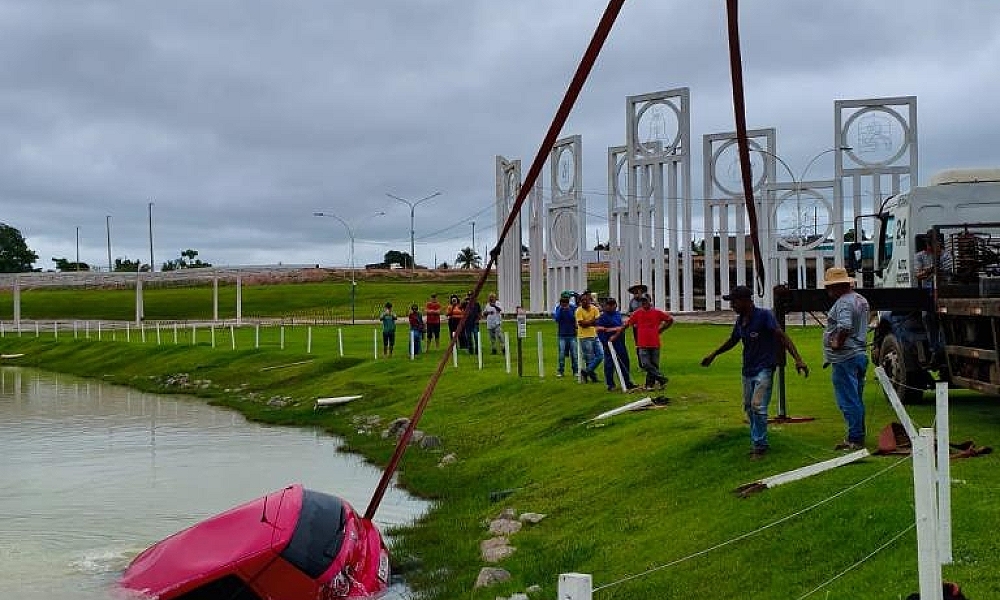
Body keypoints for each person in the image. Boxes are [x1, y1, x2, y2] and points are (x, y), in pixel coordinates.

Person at [700, 285, 809, 459]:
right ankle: (757, 440)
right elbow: (733, 340)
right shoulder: (741, 320)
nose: (732, 306)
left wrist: (798, 359)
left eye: (734, 302)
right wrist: (714, 354)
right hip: (748, 369)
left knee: (758, 406)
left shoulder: (764, 316)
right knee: (749, 407)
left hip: (765, 367)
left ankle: (760, 445)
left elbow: (782, 336)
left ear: (745, 301)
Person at [822, 267, 870, 451]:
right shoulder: (861, 299)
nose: (828, 292)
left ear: (837, 286)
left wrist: (836, 343)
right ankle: (857, 433)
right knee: (856, 397)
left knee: (848, 399)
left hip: (845, 357)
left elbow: (845, 326)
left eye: (830, 287)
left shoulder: (843, 302)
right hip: (859, 354)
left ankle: (855, 438)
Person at [611, 294, 673, 390]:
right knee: (645, 364)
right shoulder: (637, 313)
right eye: (642, 301)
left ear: (650, 301)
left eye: (645, 301)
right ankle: (661, 378)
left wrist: (661, 329)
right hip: (642, 343)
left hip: (654, 342)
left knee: (654, 364)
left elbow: (670, 320)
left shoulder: (657, 312)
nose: (644, 303)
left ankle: (649, 385)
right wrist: (616, 335)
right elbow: (626, 325)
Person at [595, 297, 637, 391]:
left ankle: (627, 382)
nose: (611, 306)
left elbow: (622, 327)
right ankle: (610, 384)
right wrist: (605, 343)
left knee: (625, 362)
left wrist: (617, 329)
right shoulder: (602, 317)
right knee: (609, 364)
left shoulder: (617, 315)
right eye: (609, 305)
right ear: (605, 306)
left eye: (613, 304)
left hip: (620, 343)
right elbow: (599, 331)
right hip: (609, 343)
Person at [575, 291, 603, 383]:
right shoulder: (578, 310)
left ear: (589, 300)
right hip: (584, 337)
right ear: (580, 302)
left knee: (600, 355)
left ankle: (586, 371)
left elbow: (598, 321)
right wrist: (592, 321)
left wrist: (589, 322)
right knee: (589, 358)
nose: (584, 302)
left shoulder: (594, 308)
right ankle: (593, 377)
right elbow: (582, 324)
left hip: (594, 335)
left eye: (586, 300)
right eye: (582, 300)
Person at [552, 292, 579, 377]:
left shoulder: (573, 308)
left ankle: (575, 371)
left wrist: (567, 309)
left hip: (572, 334)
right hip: (562, 335)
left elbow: (573, 318)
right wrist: (561, 309)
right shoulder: (558, 308)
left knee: (574, 354)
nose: (564, 304)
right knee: (561, 354)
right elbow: (557, 319)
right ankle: (561, 371)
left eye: (566, 302)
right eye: (562, 302)